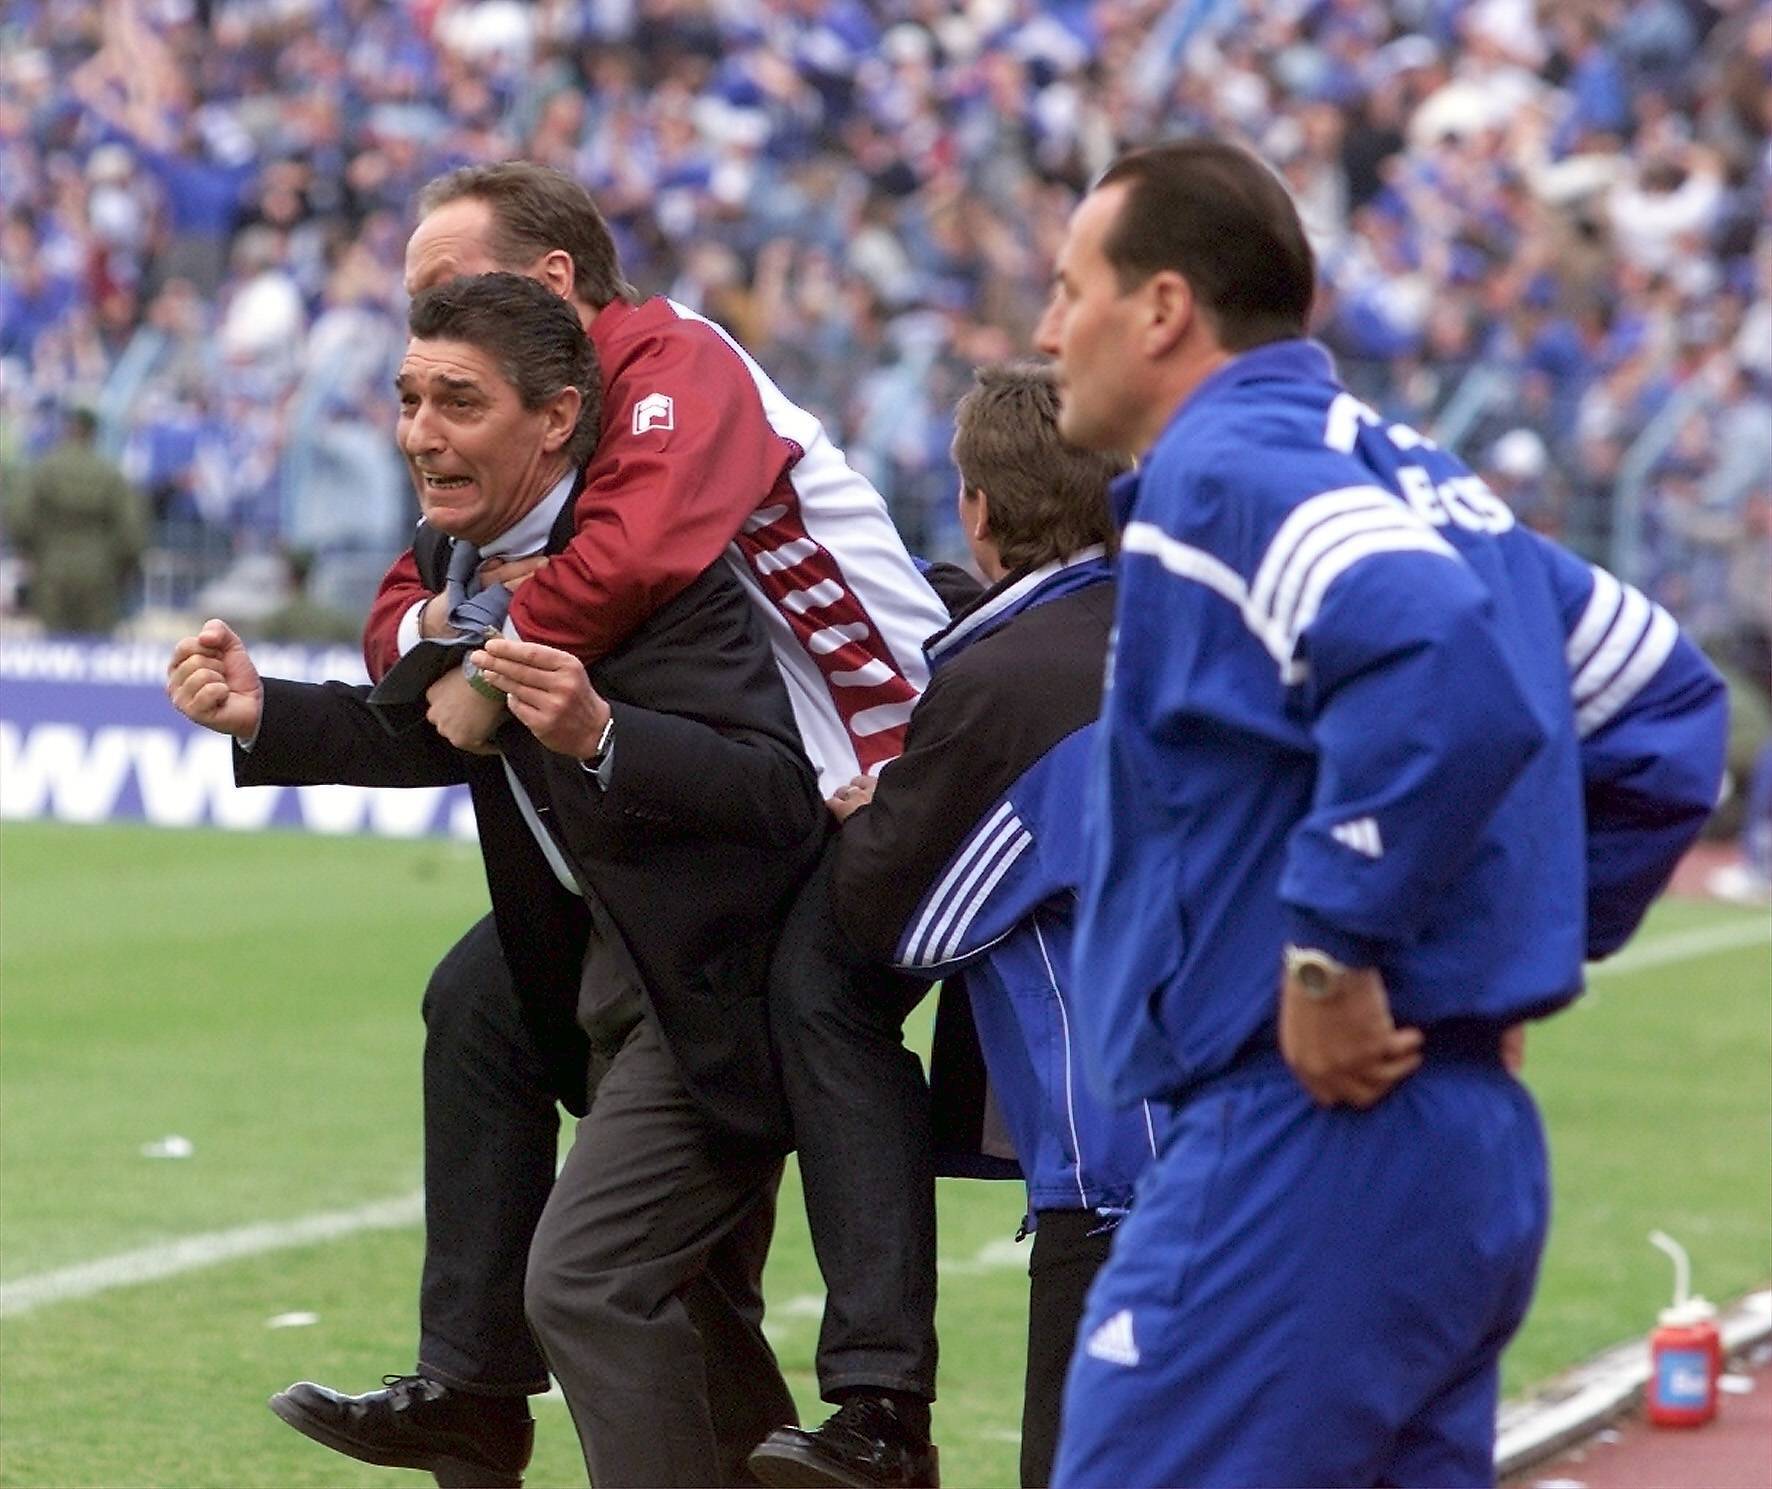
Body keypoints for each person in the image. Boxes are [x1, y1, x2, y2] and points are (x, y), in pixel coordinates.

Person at [1033, 139, 1730, 1488]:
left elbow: (1431, 660)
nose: (1050, 331)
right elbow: (1662, 707)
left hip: (1301, 1144)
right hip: (1456, 1148)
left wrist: (1339, 945)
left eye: (1072, 290)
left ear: (1164, 307)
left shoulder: (1222, 468)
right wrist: (1468, 966)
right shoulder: (1421, 475)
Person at [279, 163, 952, 1489]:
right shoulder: (542, 422)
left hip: (888, 756)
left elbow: (636, 554)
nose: (428, 340)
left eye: (448, 296)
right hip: (758, 799)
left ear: (549, 288)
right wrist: (434, 638)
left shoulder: (674, 365)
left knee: (815, 1009)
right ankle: (474, 1383)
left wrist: (481, 663)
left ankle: (884, 1412)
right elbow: (407, 601)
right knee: (481, 1004)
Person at [168, 271, 825, 1487]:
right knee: (687, 1304)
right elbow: (444, 726)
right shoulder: (453, 555)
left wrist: (604, 735)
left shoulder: (653, 565)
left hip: (710, 992)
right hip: (595, 976)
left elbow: (778, 798)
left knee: (587, 1281)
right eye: (410, 398)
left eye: (459, 402)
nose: (421, 431)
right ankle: (469, 1396)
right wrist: (267, 714)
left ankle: (474, 1397)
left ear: (558, 418)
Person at [810, 362, 1157, 1489]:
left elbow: (898, 920)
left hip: (1122, 1180)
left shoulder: (1011, 680)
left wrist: (878, 811)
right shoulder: (1174, 631)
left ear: (975, 506)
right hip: (1269, 1148)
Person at [7, 405, 148, 634]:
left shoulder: (44, 469)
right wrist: (124, 566)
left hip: (51, 566)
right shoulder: (109, 473)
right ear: (93, 433)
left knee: (55, 651)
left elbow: (19, 515)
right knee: (96, 650)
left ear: (67, 430)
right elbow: (132, 530)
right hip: (99, 571)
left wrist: (30, 551)